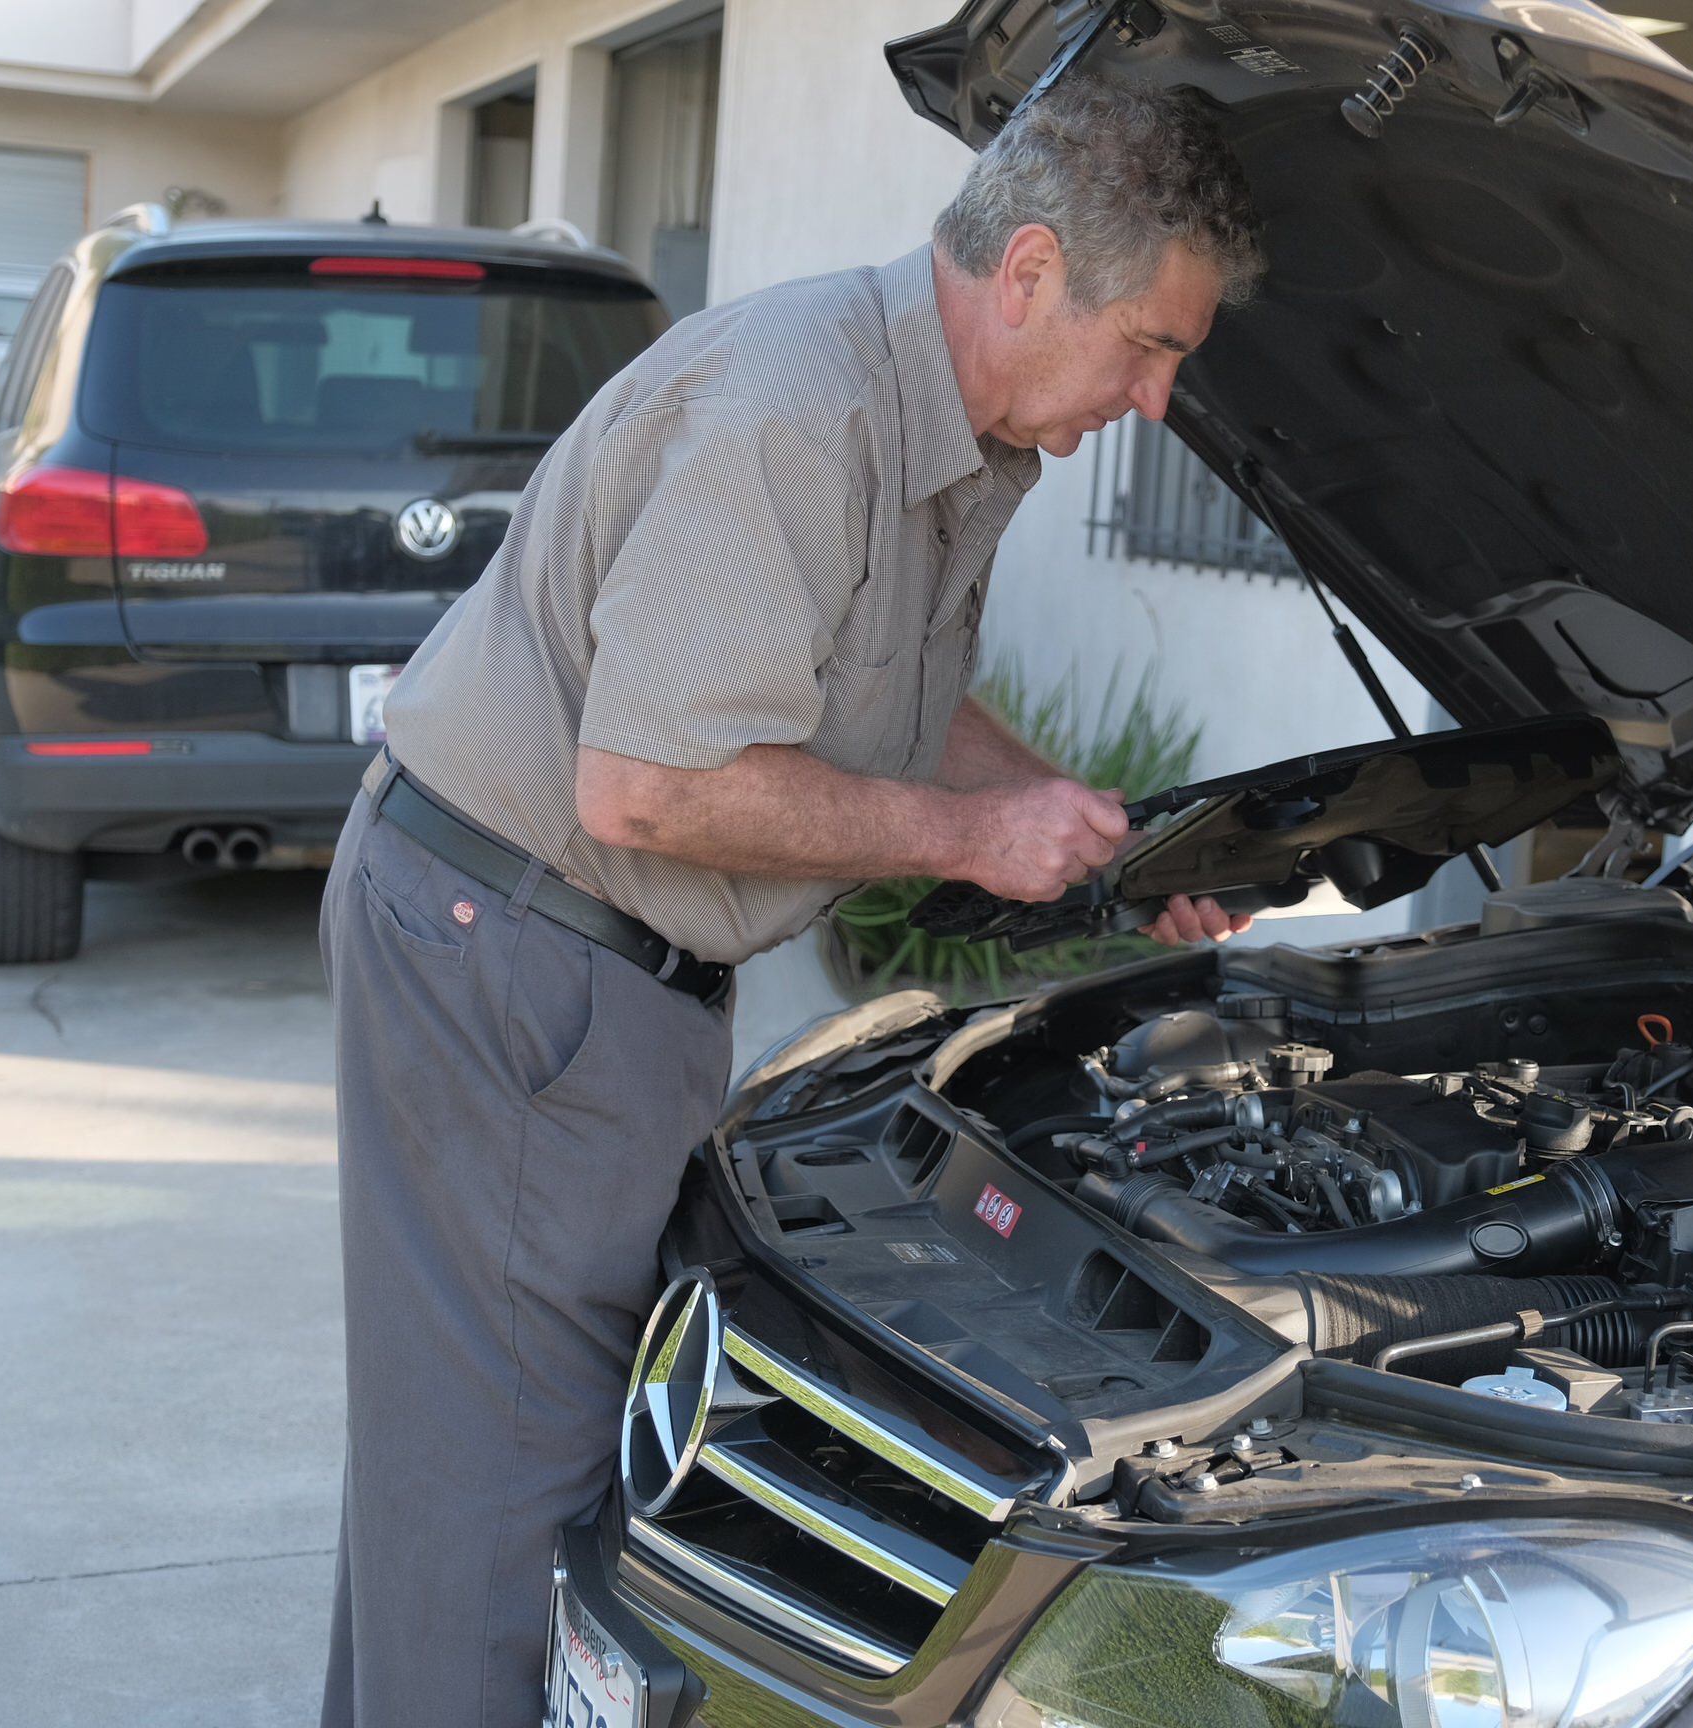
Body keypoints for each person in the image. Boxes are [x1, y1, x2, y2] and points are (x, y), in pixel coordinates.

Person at [316, 75, 1264, 1728]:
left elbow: (888, 697)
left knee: (469, 1461)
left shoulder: (964, 434)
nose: (1160, 399)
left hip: (588, 954)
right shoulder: (796, 411)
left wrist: (1080, 829)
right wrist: (974, 845)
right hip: (517, 947)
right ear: (1031, 272)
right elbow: (652, 783)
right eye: (1151, 344)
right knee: (508, 1503)